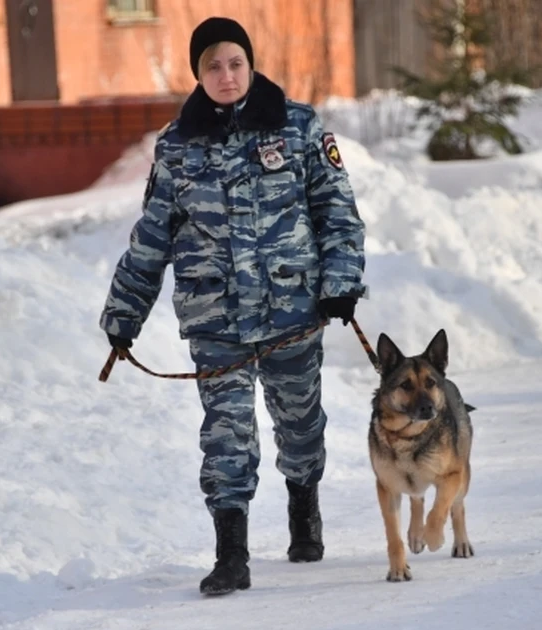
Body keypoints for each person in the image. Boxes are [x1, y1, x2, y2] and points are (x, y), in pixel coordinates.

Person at [99, 16, 366, 596]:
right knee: (226, 432)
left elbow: (336, 211)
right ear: (197, 74)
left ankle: (303, 504)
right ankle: (231, 554)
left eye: (235, 63)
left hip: (292, 309)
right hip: (215, 318)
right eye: (212, 66)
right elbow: (152, 237)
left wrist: (341, 281)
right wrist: (124, 317)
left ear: (251, 64)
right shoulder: (176, 145)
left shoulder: (297, 128)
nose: (225, 75)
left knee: (299, 424)